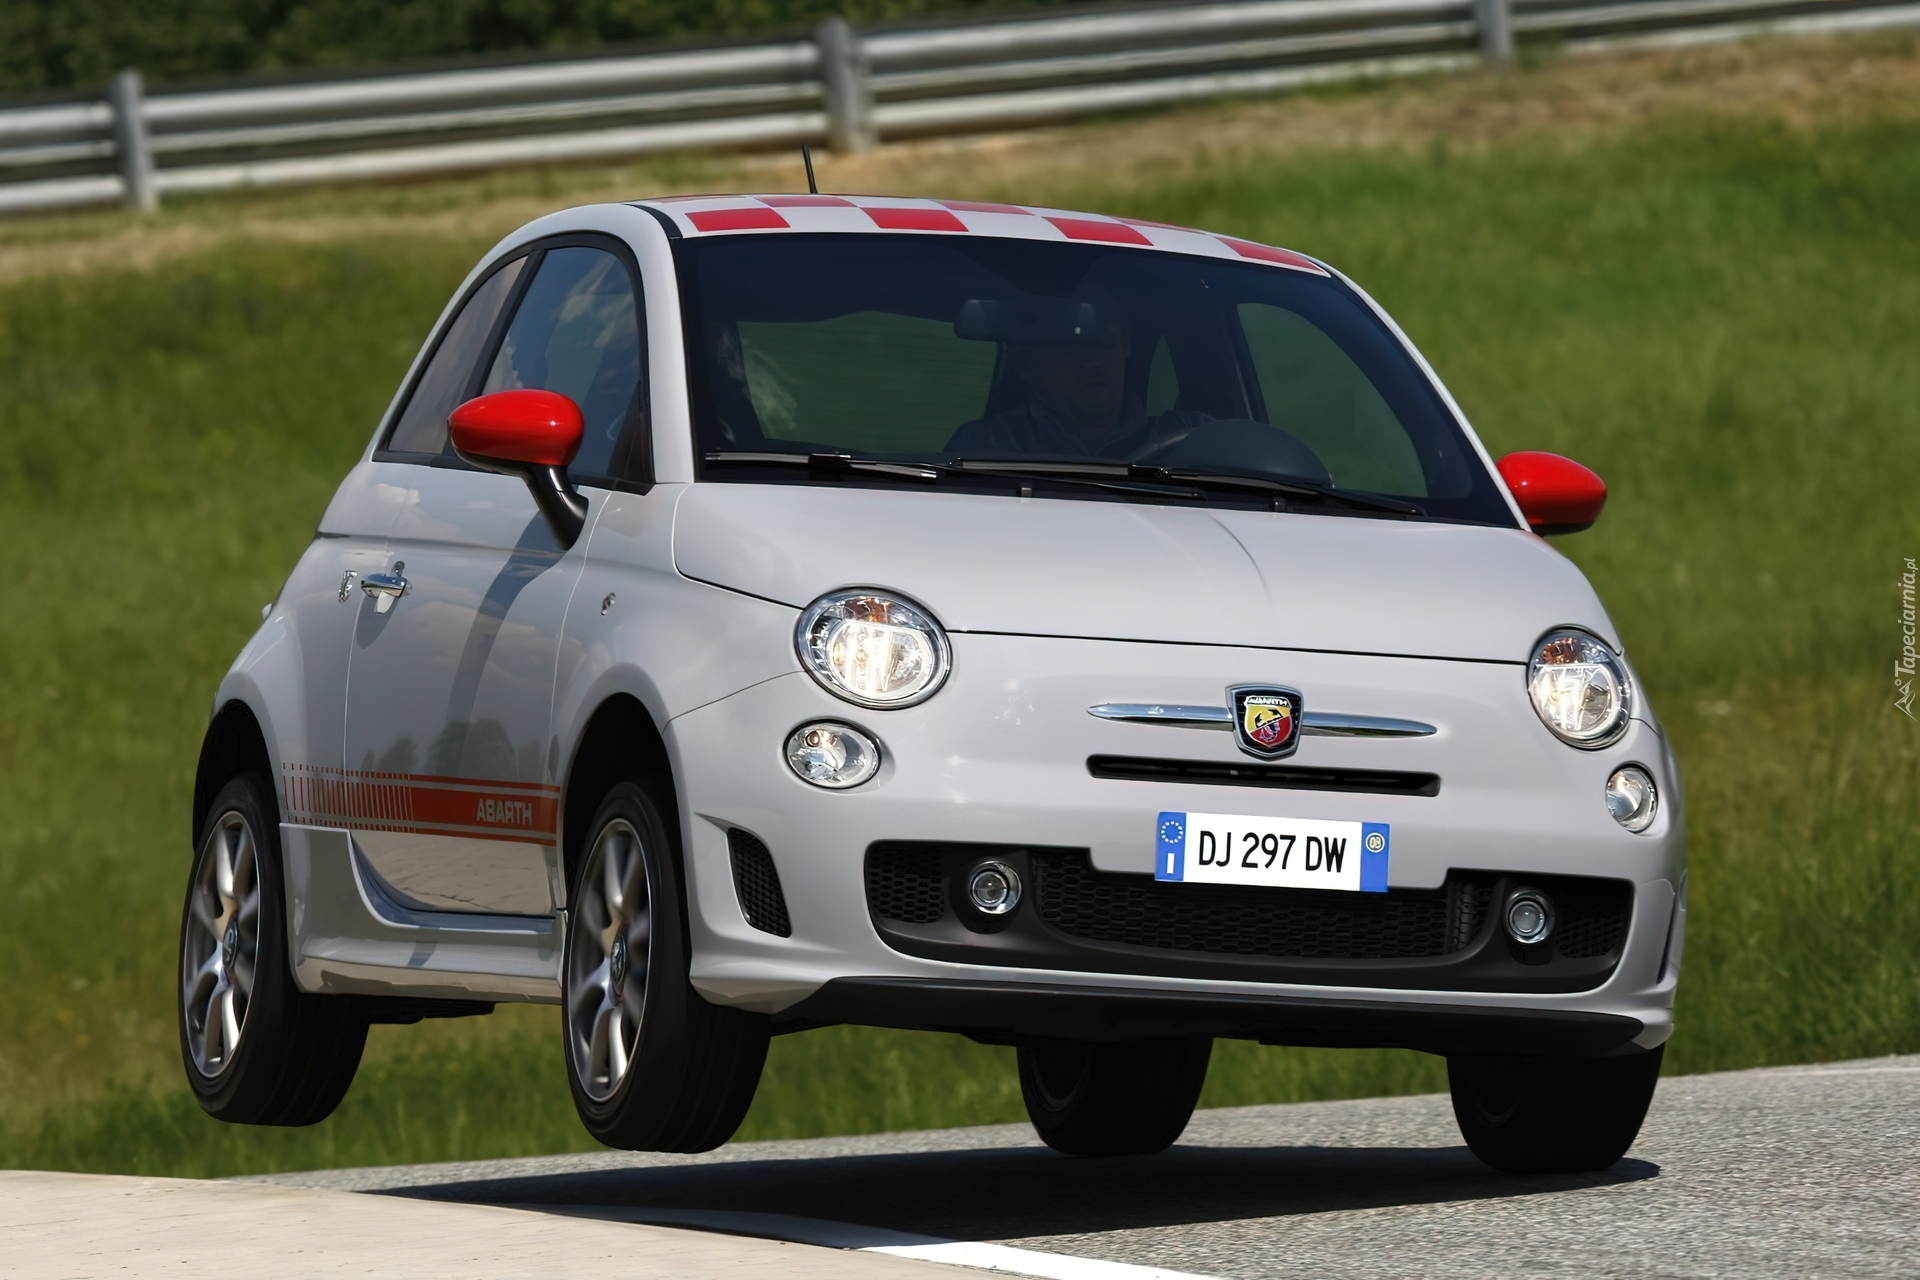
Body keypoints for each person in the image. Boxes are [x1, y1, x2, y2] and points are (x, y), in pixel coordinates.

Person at [945, 291, 1209, 459]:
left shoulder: (1197, 439)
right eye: (1067, 342)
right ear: (1024, 362)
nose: (1090, 359)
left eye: (1103, 336)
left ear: (1125, 343)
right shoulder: (982, 449)